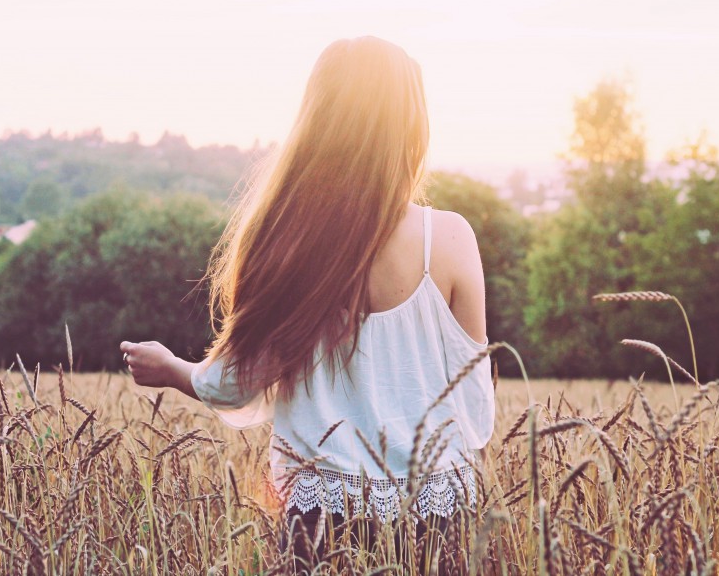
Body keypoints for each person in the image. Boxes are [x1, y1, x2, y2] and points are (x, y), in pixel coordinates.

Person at [119, 36, 495, 574]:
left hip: (322, 523)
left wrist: (173, 370)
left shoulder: (286, 241)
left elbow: (234, 384)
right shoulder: (451, 240)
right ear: (412, 126)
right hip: (435, 518)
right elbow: (474, 403)